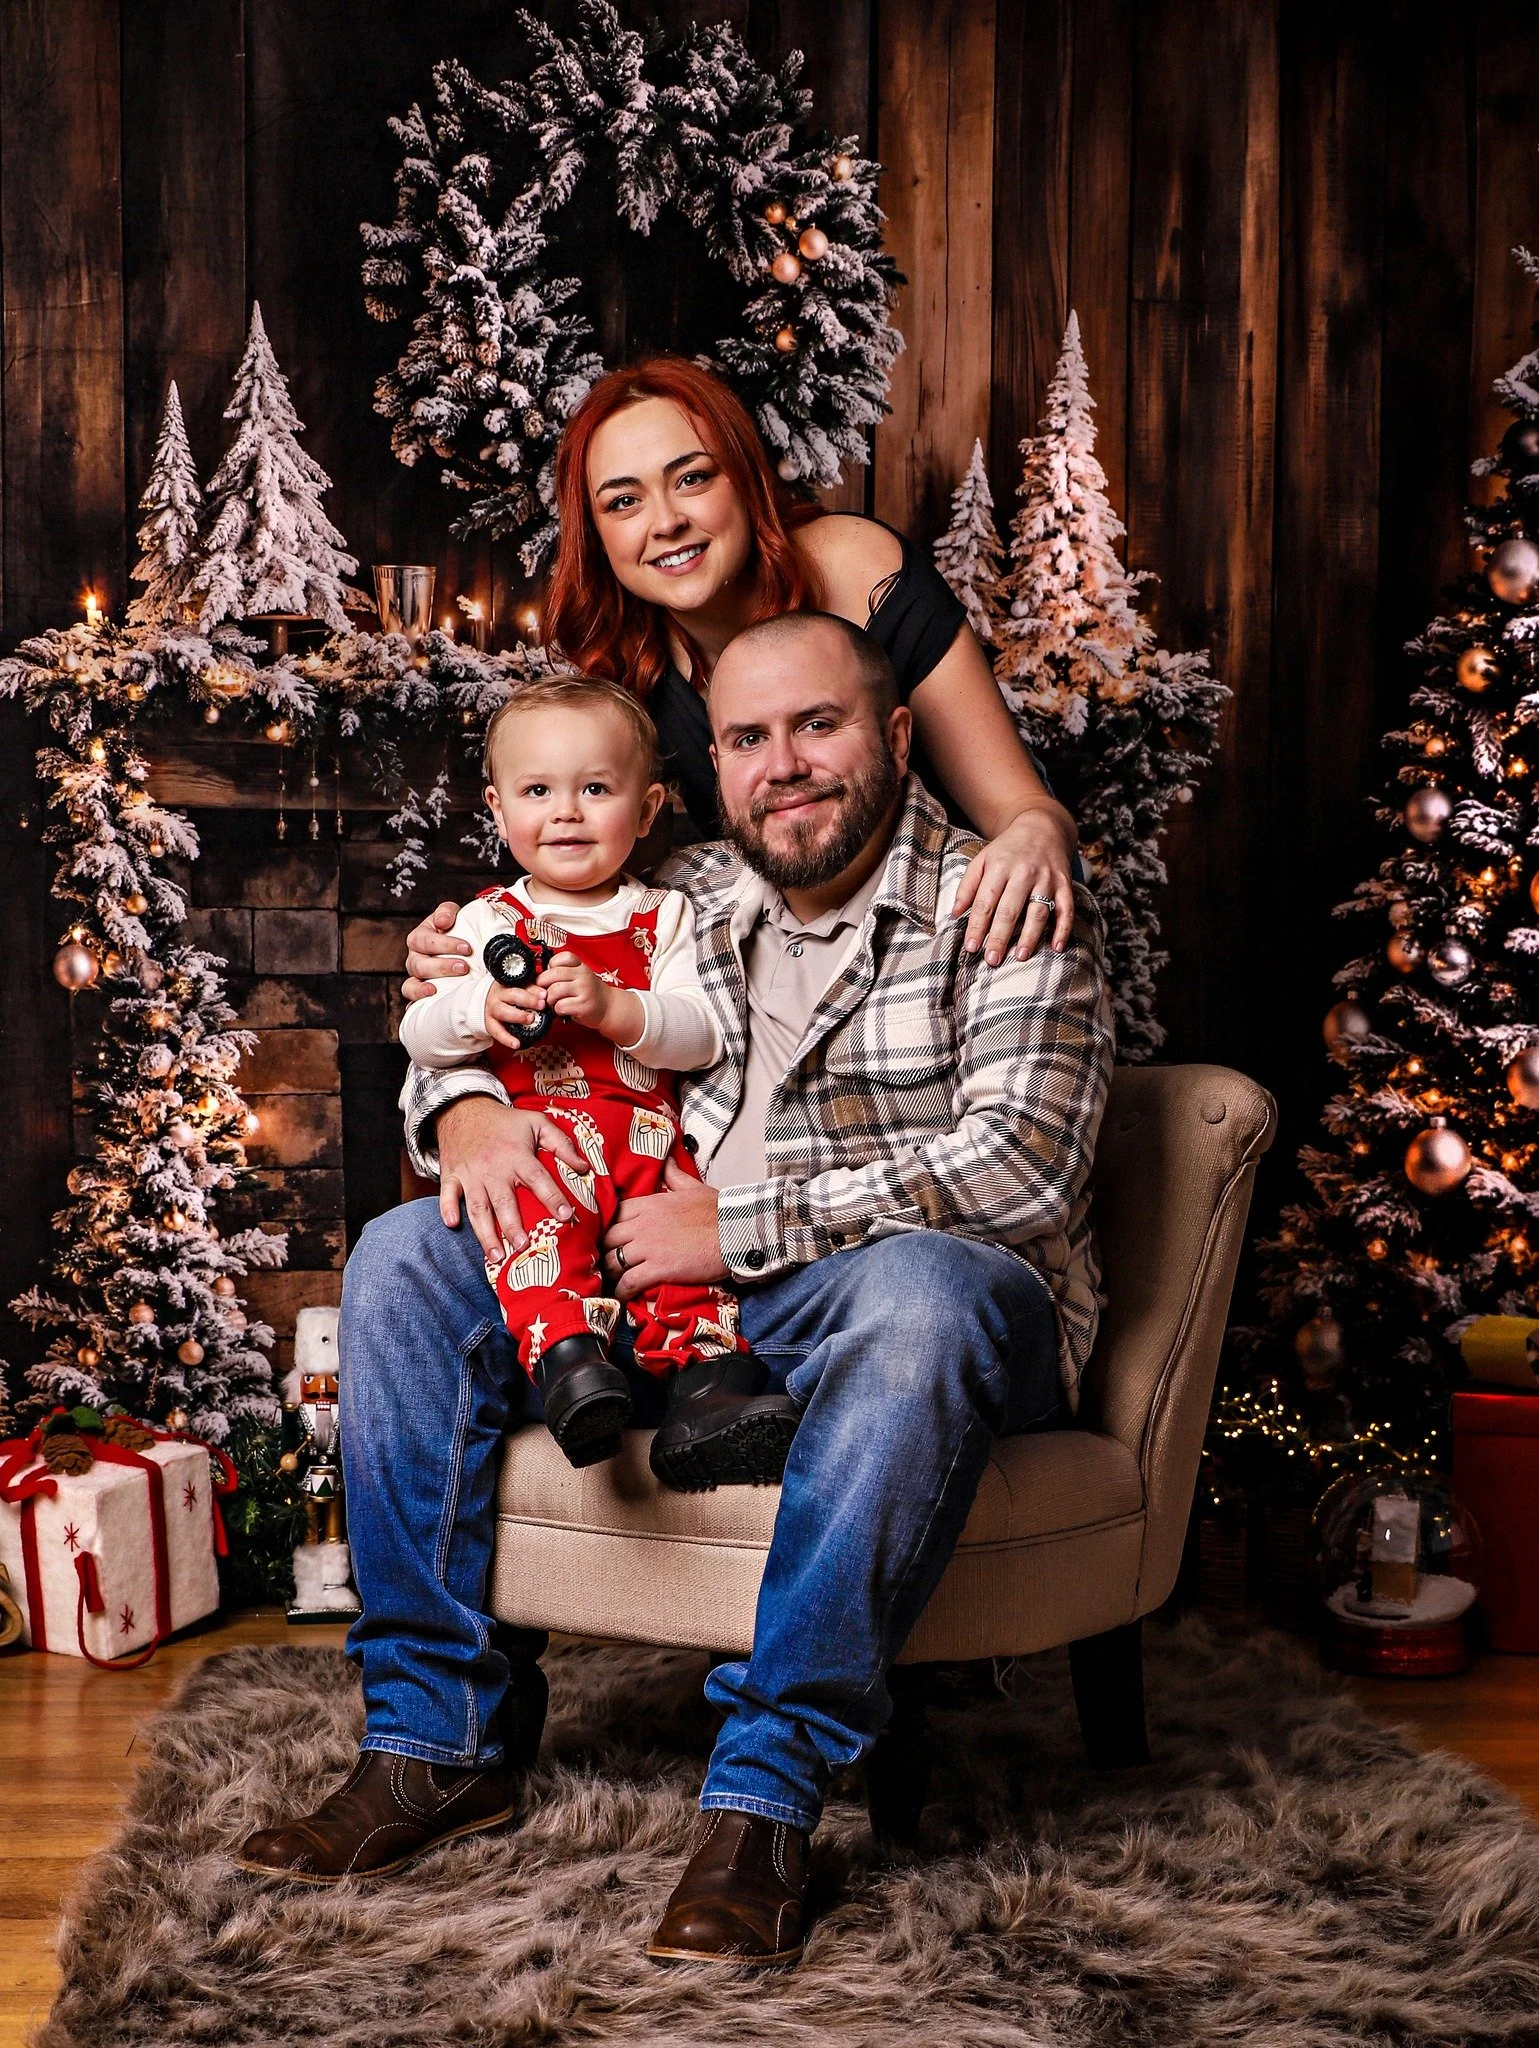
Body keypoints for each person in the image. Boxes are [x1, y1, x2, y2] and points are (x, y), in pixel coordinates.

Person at [239, 612, 1113, 1976]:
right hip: (658, 1286)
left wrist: (737, 1230)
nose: (784, 765)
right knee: (406, 1260)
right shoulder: (681, 893)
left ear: (890, 736)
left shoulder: (997, 895)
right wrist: (457, 1101)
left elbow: (1023, 1172)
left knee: (928, 1294)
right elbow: (495, 997)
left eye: (815, 726)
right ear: (707, 772)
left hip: (893, 1302)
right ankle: (433, 1744)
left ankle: (764, 1793)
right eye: (747, 739)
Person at [542, 354, 1079, 971]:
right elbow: (614, 880)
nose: (666, 522)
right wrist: (479, 941)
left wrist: (1038, 834)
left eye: (691, 478)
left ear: (744, 479)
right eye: (623, 502)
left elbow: (1020, 808)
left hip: (972, 927)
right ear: (595, 532)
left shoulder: (855, 571)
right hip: (797, 948)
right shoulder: (626, 661)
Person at [396, 674, 798, 1490]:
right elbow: (420, 1033)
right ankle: (573, 1370)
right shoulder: (482, 925)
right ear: (498, 810)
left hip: (649, 1140)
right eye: (538, 790)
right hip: (541, 1140)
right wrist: (480, 1007)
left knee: (681, 1273)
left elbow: (699, 1032)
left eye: (595, 789)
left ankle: (704, 1393)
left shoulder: (665, 916)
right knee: (535, 1239)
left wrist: (616, 1007)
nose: (566, 812)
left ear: (646, 811)